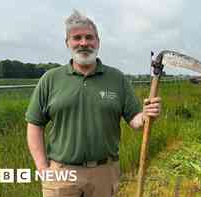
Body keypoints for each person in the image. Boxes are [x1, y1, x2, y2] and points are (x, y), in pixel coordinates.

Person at [25, 10, 161, 197]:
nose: (83, 43)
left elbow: (135, 120)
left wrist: (146, 115)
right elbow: (34, 125)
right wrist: (42, 168)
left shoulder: (117, 78)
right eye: (77, 38)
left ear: (98, 42)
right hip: (61, 172)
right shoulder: (50, 79)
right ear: (68, 43)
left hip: (104, 172)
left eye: (89, 37)